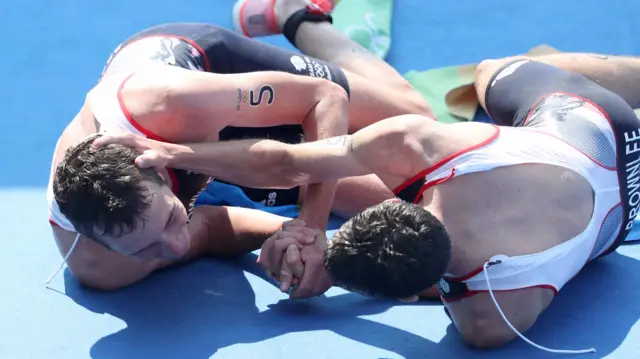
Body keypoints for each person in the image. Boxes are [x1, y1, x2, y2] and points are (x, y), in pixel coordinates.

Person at [97, 58, 640, 352]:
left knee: (477, 83)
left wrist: (326, 265)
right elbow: (289, 164)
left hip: (622, 210)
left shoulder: (489, 322)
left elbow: (291, 164)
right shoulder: (419, 147)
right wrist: (171, 152)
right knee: (490, 75)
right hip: (599, 124)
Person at [47, 0, 432, 291]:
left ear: (160, 169)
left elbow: (325, 99)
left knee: (414, 113)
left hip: (207, 74)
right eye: (146, 249)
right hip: (194, 153)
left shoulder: (172, 103)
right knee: (388, 193)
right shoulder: (101, 264)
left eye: (168, 220)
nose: (176, 247)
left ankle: (294, 14)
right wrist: (300, 246)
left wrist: (312, 229)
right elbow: (210, 229)